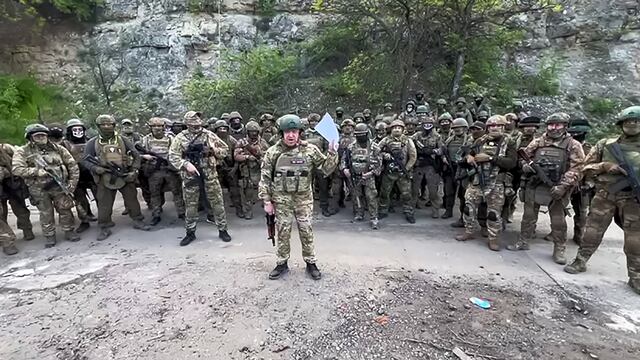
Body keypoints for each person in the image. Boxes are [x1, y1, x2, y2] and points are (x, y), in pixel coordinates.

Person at [563, 106, 640, 294]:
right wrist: (605, 166)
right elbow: (584, 167)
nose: (632, 124)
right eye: (628, 121)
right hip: (606, 195)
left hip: (634, 199)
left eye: (636, 121)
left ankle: (636, 276)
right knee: (592, 231)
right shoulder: (606, 144)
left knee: (635, 239)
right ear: (621, 124)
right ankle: (580, 261)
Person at [258, 115, 338, 280]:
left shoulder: (310, 150)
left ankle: (310, 263)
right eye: (287, 132)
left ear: (300, 132)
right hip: (281, 199)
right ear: (282, 133)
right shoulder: (273, 152)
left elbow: (326, 169)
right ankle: (281, 263)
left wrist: (332, 152)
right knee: (283, 231)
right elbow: (265, 178)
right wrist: (267, 201)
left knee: (306, 231)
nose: (291, 135)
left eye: (294, 131)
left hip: (303, 199)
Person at [509, 113, 585, 265]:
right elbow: (522, 159)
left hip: (557, 186)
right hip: (535, 185)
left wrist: (563, 186)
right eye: (551, 125)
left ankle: (559, 248)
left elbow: (577, 168)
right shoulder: (537, 142)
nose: (554, 128)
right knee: (528, 216)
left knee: (558, 221)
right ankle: (524, 240)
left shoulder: (573, 145)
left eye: (558, 125)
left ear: (565, 126)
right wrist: (525, 167)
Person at [168, 111, 232, 246]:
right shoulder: (180, 138)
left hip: (210, 175)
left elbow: (225, 150)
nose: (197, 126)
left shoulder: (208, 135)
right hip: (191, 177)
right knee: (191, 206)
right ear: (187, 124)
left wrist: (213, 150)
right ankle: (190, 232)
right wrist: (185, 164)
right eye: (193, 124)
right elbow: (173, 156)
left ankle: (223, 230)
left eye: (198, 123)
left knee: (218, 204)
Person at [83, 115, 150, 241]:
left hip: (124, 175)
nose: (107, 127)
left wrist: (134, 171)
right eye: (103, 125)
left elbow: (136, 156)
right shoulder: (93, 143)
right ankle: (104, 226)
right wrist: (96, 169)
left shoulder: (123, 140)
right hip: (105, 177)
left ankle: (137, 220)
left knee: (132, 200)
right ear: (98, 126)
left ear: (114, 125)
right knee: (104, 204)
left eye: (109, 124)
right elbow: (85, 160)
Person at [455, 116, 517, 250]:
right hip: (477, 181)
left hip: (496, 183)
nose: (494, 128)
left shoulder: (509, 142)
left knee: (493, 213)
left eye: (498, 125)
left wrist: (490, 158)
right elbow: (468, 155)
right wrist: (469, 158)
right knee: (468, 208)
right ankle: (469, 231)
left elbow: (512, 163)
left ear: (503, 127)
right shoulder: (480, 141)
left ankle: (493, 238)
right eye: (491, 126)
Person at [13, 124, 80, 247]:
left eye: (43, 135)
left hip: (59, 185)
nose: (41, 137)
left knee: (65, 209)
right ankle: (49, 236)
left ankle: (69, 231)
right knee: (45, 213)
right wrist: (37, 172)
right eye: (37, 135)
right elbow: (17, 169)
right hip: (38, 189)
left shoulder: (58, 149)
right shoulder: (23, 151)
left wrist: (72, 183)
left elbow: (72, 165)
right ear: (30, 137)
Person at [138, 117, 185, 226]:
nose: (157, 128)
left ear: (164, 127)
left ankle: (181, 212)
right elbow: (136, 153)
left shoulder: (170, 138)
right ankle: (156, 214)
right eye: (154, 126)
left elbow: (178, 151)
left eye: (159, 126)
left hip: (169, 169)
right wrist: (145, 156)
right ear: (150, 127)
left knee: (177, 192)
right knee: (155, 194)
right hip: (154, 171)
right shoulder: (146, 139)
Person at [341, 123, 383, 229]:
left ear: (366, 134)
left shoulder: (374, 147)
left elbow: (380, 164)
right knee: (357, 196)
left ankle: (374, 218)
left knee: (371, 197)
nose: (360, 137)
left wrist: (371, 173)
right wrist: (345, 169)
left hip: (369, 176)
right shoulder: (351, 146)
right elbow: (344, 160)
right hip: (355, 176)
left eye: (362, 134)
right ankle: (359, 213)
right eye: (357, 135)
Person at [378, 120, 417, 223]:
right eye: (394, 128)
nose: (396, 129)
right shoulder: (385, 140)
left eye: (399, 128)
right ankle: (383, 210)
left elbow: (413, 157)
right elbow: (376, 151)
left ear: (403, 130)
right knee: (385, 193)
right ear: (391, 129)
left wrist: (406, 169)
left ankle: (408, 212)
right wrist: (384, 155)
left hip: (403, 172)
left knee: (406, 194)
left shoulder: (408, 141)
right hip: (389, 172)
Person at [63, 118, 96, 233]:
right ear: (69, 131)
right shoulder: (65, 144)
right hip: (75, 176)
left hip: (92, 174)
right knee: (80, 200)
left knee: (100, 197)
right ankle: (85, 220)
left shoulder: (91, 141)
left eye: (80, 129)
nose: (78, 131)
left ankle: (104, 219)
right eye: (74, 129)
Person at [234, 121, 270, 220]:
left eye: (255, 131)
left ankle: (268, 211)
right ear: (247, 131)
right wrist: (247, 157)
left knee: (265, 192)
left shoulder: (262, 142)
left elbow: (268, 155)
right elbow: (236, 156)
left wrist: (261, 158)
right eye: (251, 131)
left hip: (260, 170)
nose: (253, 133)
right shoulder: (242, 142)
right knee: (248, 194)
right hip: (247, 170)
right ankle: (248, 211)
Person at [411, 116, 445, 218]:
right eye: (425, 124)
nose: (427, 126)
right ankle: (410, 209)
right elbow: (407, 142)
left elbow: (441, 150)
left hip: (431, 165)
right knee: (414, 189)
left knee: (433, 190)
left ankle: (435, 210)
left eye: (429, 124)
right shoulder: (417, 135)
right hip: (418, 164)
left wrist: (432, 151)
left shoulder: (437, 136)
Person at [567, 117, 593, 244]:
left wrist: (589, 183)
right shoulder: (566, 146)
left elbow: (592, 166)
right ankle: (554, 232)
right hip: (567, 181)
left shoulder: (590, 148)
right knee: (558, 209)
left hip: (582, 185)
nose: (576, 135)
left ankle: (579, 234)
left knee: (582, 211)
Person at [0, 143, 34, 242]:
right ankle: (5, 237)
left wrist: (5, 171)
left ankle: (27, 230)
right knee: (2, 214)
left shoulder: (5, 148)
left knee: (20, 208)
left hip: (12, 183)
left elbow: (19, 162)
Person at [211, 119, 242, 218]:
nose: (223, 130)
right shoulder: (211, 140)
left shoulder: (231, 140)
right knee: (215, 193)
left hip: (230, 169)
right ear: (216, 130)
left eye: (225, 128)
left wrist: (234, 169)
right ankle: (216, 213)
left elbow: (238, 155)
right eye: (220, 128)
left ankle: (239, 210)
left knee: (235, 192)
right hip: (217, 169)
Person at [442, 118, 471, 221]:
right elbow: (443, 151)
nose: (458, 129)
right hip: (451, 168)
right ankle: (448, 211)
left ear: (465, 128)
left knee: (463, 194)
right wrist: (443, 158)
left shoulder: (469, 140)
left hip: (463, 169)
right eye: (455, 128)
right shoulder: (449, 140)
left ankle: (463, 217)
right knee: (449, 191)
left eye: (460, 127)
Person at [304, 113, 331, 216]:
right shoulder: (304, 134)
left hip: (320, 163)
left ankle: (324, 207)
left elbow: (327, 148)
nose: (313, 123)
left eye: (315, 121)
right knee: (306, 186)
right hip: (307, 163)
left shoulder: (323, 133)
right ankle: (306, 208)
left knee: (323, 186)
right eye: (311, 121)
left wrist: (322, 158)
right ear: (309, 122)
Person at [329, 118, 356, 214]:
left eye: (350, 126)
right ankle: (335, 207)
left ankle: (357, 210)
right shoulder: (337, 139)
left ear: (353, 128)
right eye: (345, 126)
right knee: (336, 189)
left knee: (353, 189)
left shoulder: (356, 139)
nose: (348, 128)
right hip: (338, 167)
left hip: (352, 168)